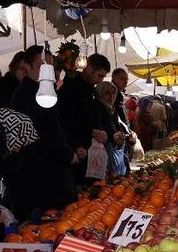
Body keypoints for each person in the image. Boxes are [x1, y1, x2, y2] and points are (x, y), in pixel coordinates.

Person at [11, 45, 77, 221]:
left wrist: (71, 147)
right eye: (42, 66)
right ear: (27, 67)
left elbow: (57, 127)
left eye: (50, 67)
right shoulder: (24, 94)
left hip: (54, 175)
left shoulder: (45, 91)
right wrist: (66, 152)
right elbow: (34, 137)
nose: (47, 72)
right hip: (39, 180)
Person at [58, 53, 111, 185]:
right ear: (89, 68)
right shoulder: (71, 88)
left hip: (91, 154)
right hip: (76, 152)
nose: (100, 81)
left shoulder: (91, 90)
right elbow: (67, 120)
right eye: (99, 76)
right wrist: (92, 132)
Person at [0, 51, 27, 207]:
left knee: (14, 190)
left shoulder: (19, 87)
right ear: (14, 68)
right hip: (7, 148)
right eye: (22, 69)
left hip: (13, 148)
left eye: (26, 69)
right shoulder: (8, 87)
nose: (25, 72)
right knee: (14, 188)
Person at [94, 81, 131, 177]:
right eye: (107, 93)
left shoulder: (112, 109)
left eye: (114, 93)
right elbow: (98, 129)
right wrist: (112, 136)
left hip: (112, 150)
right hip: (100, 154)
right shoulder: (96, 108)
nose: (111, 96)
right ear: (100, 93)